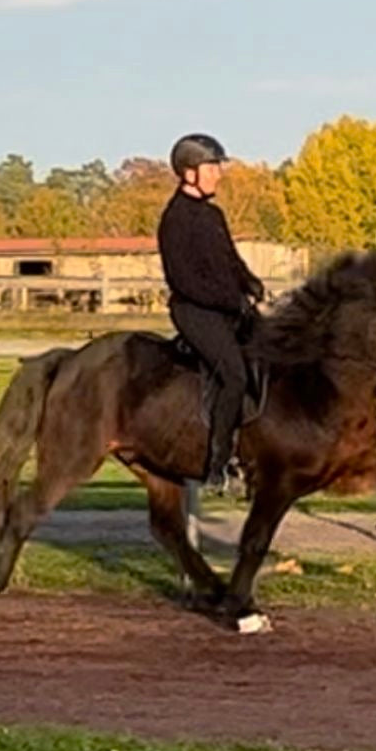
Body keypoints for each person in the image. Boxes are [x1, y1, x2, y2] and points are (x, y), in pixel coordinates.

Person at [156, 133, 265, 493]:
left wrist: (251, 285)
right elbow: (185, 282)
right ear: (190, 174)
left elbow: (230, 261)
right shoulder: (175, 220)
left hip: (228, 308)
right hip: (195, 312)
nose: (219, 173)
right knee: (233, 374)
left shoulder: (213, 214)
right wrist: (232, 302)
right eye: (212, 167)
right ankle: (217, 465)